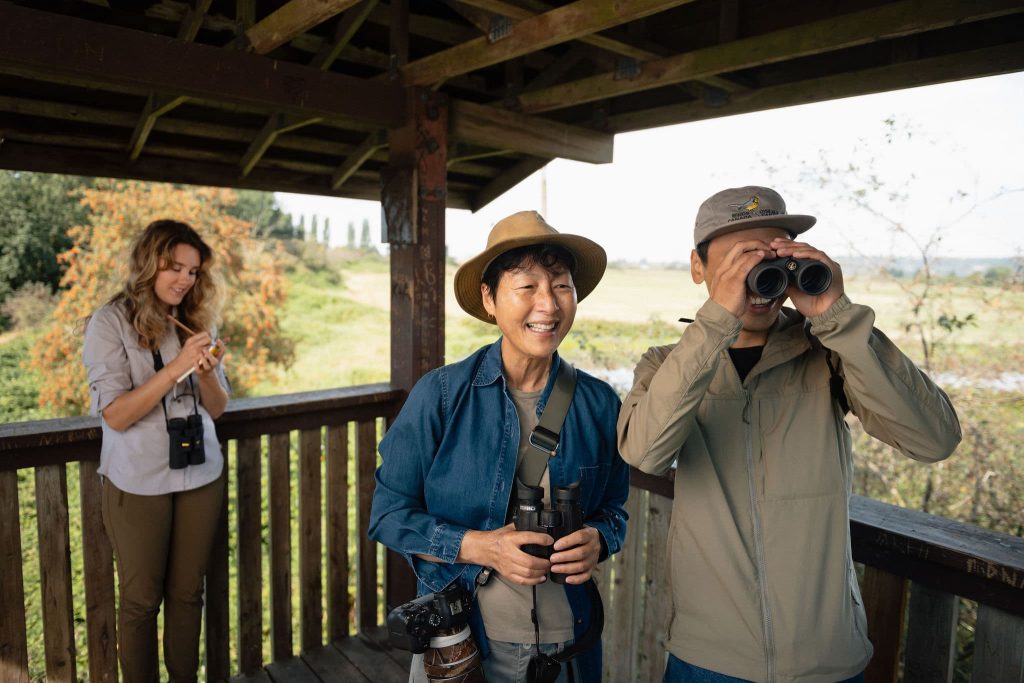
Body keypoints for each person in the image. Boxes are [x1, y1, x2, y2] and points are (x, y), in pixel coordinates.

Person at [617, 186, 961, 683]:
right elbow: (646, 453)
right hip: (709, 657)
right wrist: (717, 322)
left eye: (775, 257)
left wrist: (836, 316)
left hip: (827, 656)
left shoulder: (829, 353)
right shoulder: (665, 364)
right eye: (741, 260)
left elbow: (935, 440)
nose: (760, 278)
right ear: (698, 267)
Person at [369, 211, 630, 683]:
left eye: (561, 286)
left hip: (572, 645)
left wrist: (601, 539)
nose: (548, 305)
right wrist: (482, 547)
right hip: (464, 645)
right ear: (490, 299)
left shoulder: (598, 402)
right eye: (526, 287)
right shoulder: (442, 395)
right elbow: (388, 516)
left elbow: (615, 508)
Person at [82, 219, 229, 683]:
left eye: (192, 271)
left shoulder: (196, 320)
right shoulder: (109, 322)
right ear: (150, 263)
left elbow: (219, 409)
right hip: (138, 479)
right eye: (175, 267)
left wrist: (205, 371)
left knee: (189, 595)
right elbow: (116, 416)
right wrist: (177, 368)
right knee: (142, 600)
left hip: (200, 473)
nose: (185, 279)